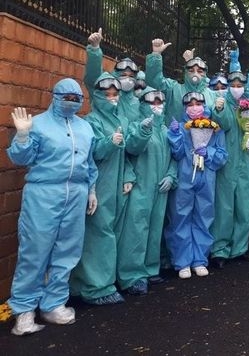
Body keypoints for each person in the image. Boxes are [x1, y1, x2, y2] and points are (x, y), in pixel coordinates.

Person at [6, 79, 98, 336]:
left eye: (76, 98)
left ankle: (53, 304)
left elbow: (89, 163)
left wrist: (91, 189)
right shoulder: (38, 124)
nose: (71, 101)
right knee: (34, 249)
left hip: (76, 193)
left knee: (67, 250)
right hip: (43, 192)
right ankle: (24, 310)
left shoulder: (85, 128)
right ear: (54, 97)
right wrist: (22, 135)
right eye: (66, 97)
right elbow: (21, 158)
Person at [70, 73, 149, 304]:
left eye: (115, 95)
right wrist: (109, 143)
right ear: (97, 96)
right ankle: (95, 288)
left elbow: (128, 153)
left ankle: (108, 280)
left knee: (114, 231)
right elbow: (91, 154)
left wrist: (142, 134)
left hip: (117, 184)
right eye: (107, 95)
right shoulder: (91, 121)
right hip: (101, 182)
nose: (113, 98)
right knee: (99, 233)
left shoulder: (121, 120)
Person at [117, 89, 177, 294]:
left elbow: (175, 157)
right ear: (143, 104)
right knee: (136, 230)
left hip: (161, 188)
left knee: (155, 229)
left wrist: (171, 175)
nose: (156, 105)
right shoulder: (136, 126)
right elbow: (132, 149)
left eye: (160, 102)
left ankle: (151, 268)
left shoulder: (166, 130)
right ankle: (132, 276)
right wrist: (143, 131)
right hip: (141, 187)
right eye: (152, 102)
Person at [165, 92, 228, 278]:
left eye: (198, 103)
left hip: (206, 176)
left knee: (204, 216)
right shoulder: (181, 127)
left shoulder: (214, 128)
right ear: (185, 107)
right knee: (180, 216)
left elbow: (222, 155)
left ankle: (200, 259)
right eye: (190, 105)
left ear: (204, 105)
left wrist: (208, 153)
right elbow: (176, 154)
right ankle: (182, 261)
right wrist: (174, 135)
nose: (194, 108)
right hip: (185, 176)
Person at [210, 56, 249, 267]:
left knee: (245, 206)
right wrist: (219, 110)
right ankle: (220, 249)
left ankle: (240, 247)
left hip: (247, 160)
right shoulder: (225, 104)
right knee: (225, 207)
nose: (237, 88)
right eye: (233, 85)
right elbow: (225, 124)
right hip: (228, 161)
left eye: (240, 85)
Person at [85, 28, 141, 121]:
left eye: (131, 76)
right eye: (123, 75)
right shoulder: (103, 90)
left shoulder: (136, 102)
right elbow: (93, 77)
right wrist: (95, 49)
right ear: (116, 75)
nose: (127, 79)